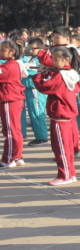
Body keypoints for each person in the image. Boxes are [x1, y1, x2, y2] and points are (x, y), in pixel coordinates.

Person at [33, 47, 80, 185]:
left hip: (61, 116)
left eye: (55, 59)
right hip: (65, 115)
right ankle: (69, 173)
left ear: (66, 59)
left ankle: (65, 175)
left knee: (61, 148)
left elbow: (43, 86)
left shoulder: (61, 75)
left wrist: (39, 74)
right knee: (65, 148)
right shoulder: (69, 73)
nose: (52, 62)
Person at [0, 40, 26, 168]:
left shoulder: (8, 67)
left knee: (9, 130)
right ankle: (17, 156)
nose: (0, 52)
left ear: (12, 52)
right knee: (15, 129)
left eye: (2, 50)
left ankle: (8, 158)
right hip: (15, 99)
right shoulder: (14, 64)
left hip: (9, 100)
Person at [22, 38, 49, 146]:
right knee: (32, 114)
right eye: (30, 48)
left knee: (37, 113)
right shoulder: (30, 58)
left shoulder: (41, 59)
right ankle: (38, 135)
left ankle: (42, 137)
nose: (31, 51)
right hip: (28, 88)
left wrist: (25, 69)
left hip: (36, 89)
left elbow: (37, 71)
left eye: (34, 48)